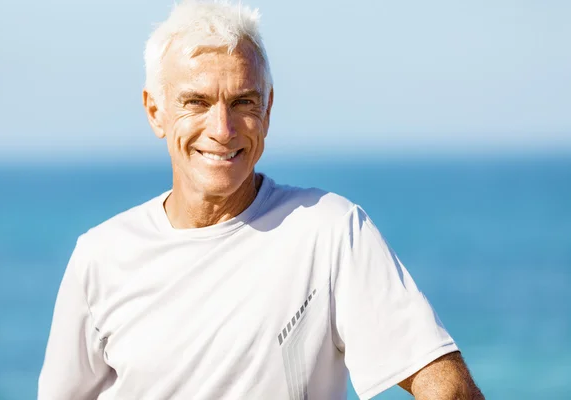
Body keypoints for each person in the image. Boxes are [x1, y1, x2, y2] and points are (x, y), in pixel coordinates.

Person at [38, 1, 484, 399]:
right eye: (196, 101)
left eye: (242, 102)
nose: (222, 129)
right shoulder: (100, 257)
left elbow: (441, 379)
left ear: (267, 111)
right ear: (155, 111)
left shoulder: (327, 230)